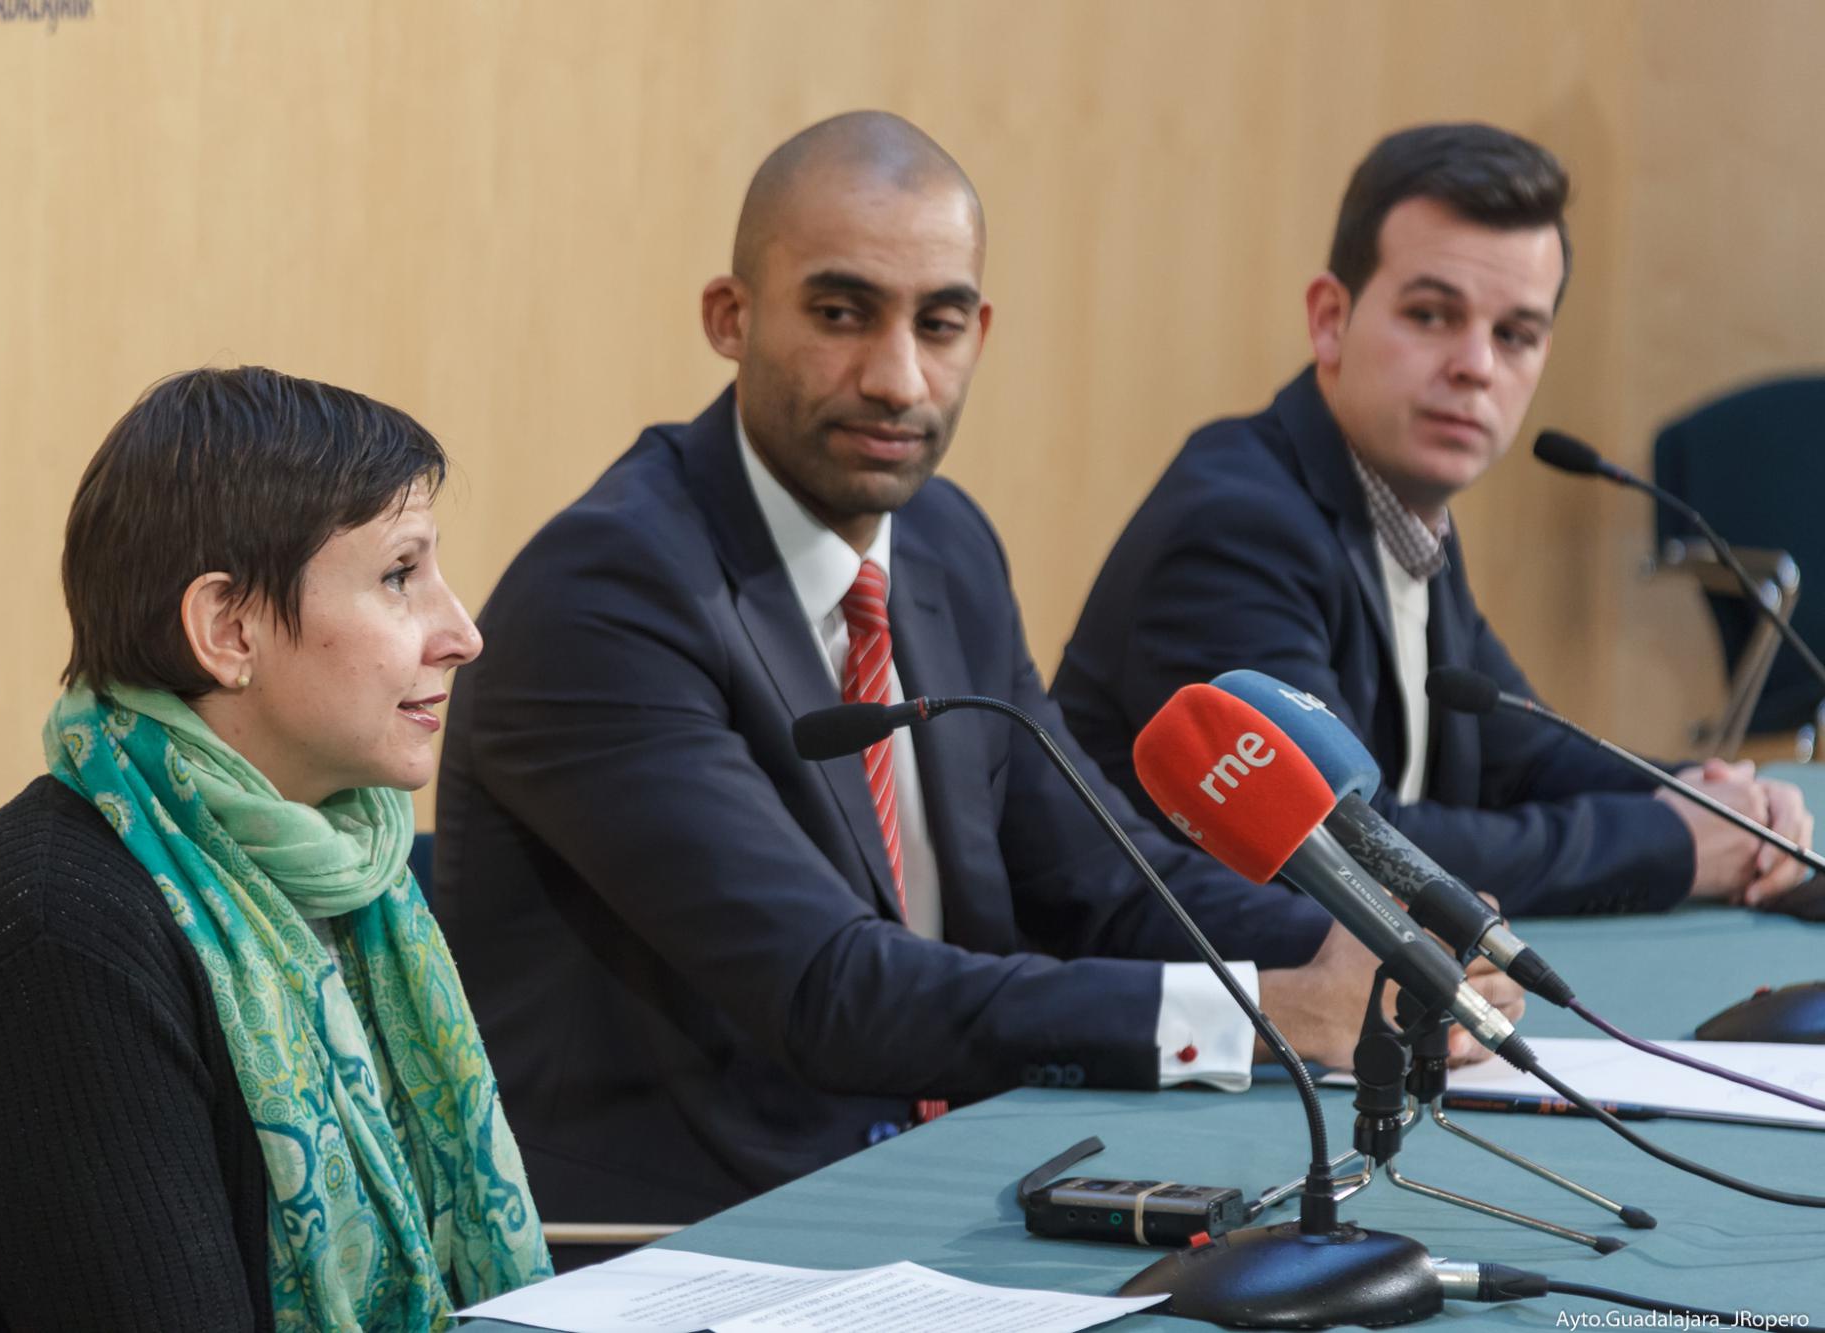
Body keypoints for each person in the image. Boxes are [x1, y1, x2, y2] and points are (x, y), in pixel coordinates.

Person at [432, 111, 1524, 1227]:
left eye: (939, 323)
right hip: (682, 1237)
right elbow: (825, 988)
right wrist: (1273, 1010)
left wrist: (1380, 948)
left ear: (980, 331)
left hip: (954, 1184)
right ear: (731, 316)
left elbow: (1102, 885)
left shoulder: (945, 544)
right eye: (840, 313)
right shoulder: (607, 592)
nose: (897, 378)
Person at [0, 368, 551, 1331]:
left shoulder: (344, 867)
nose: (462, 634)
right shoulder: (57, 937)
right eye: (398, 576)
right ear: (228, 629)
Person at [1053, 122, 1814, 920]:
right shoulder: (1236, 527)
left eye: (1514, 334)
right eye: (1430, 315)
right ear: (1330, 319)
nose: (1476, 366)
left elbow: (1525, 757)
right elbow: (1349, 848)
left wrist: (1713, 800)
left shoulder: (1400, 505)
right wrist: (1676, 844)